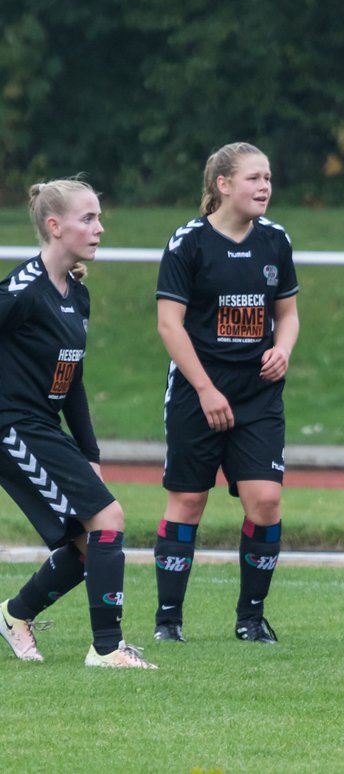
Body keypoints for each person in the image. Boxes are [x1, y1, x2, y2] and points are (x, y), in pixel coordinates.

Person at [0, 179, 156, 669]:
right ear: (54, 226)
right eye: (87, 219)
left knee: (91, 545)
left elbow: (73, 380)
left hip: (45, 424)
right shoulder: (23, 291)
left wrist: (90, 452)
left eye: (98, 217)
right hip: (14, 427)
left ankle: (14, 615)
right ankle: (107, 649)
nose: (99, 227)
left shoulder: (76, 295)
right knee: (109, 520)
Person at [151, 142, 299, 645]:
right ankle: (168, 620)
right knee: (189, 500)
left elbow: (289, 314)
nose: (265, 187)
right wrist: (206, 388)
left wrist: (284, 348)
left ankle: (250, 619)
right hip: (199, 390)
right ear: (223, 185)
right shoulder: (188, 242)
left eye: (268, 178)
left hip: (258, 394)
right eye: (254, 178)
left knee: (266, 501)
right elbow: (169, 326)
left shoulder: (276, 240)